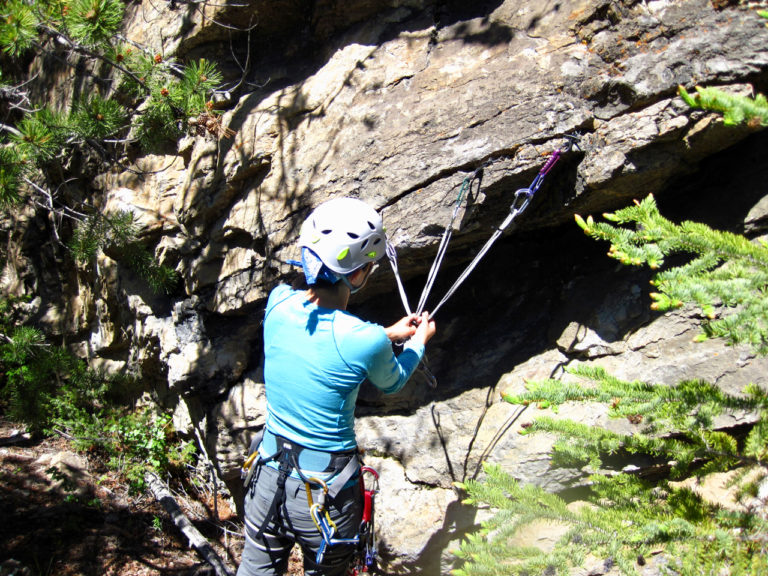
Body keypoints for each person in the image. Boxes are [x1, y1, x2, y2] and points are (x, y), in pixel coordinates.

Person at [238, 197, 436, 576]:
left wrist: (388, 333)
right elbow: (392, 380)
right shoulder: (363, 339)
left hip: (266, 479)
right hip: (325, 495)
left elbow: (327, 341)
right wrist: (417, 342)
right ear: (358, 275)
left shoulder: (278, 302)